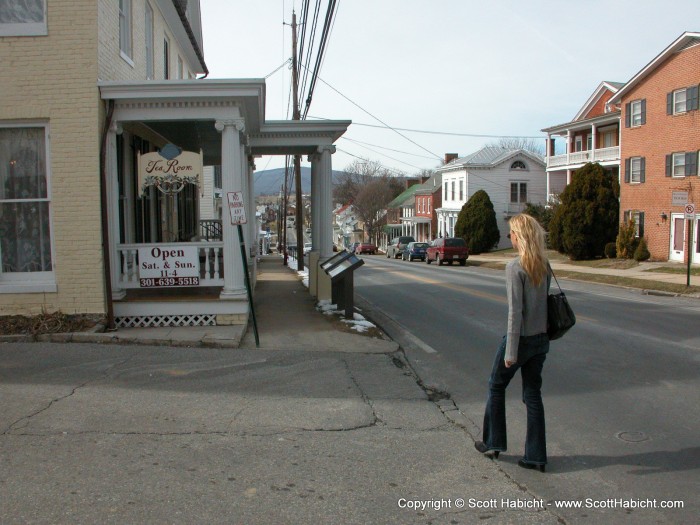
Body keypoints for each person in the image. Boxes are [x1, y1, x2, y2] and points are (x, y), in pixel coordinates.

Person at [474, 213, 551, 473]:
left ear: (520, 236)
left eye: (511, 234)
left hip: (522, 340)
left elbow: (515, 312)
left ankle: (493, 442)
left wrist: (511, 350)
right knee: (533, 396)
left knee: (496, 386)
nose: (510, 238)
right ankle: (536, 457)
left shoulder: (515, 267)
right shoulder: (544, 264)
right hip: (541, 340)